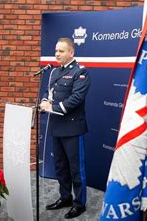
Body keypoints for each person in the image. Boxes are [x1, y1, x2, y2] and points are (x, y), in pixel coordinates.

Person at [40, 37, 90, 219]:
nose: (57, 54)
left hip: (72, 128)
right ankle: (65, 197)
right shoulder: (54, 72)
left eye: (61, 51)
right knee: (60, 166)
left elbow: (76, 98)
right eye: (56, 51)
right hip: (56, 126)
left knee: (76, 168)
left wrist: (52, 108)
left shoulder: (80, 72)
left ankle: (80, 204)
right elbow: (49, 92)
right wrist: (45, 100)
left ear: (71, 52)